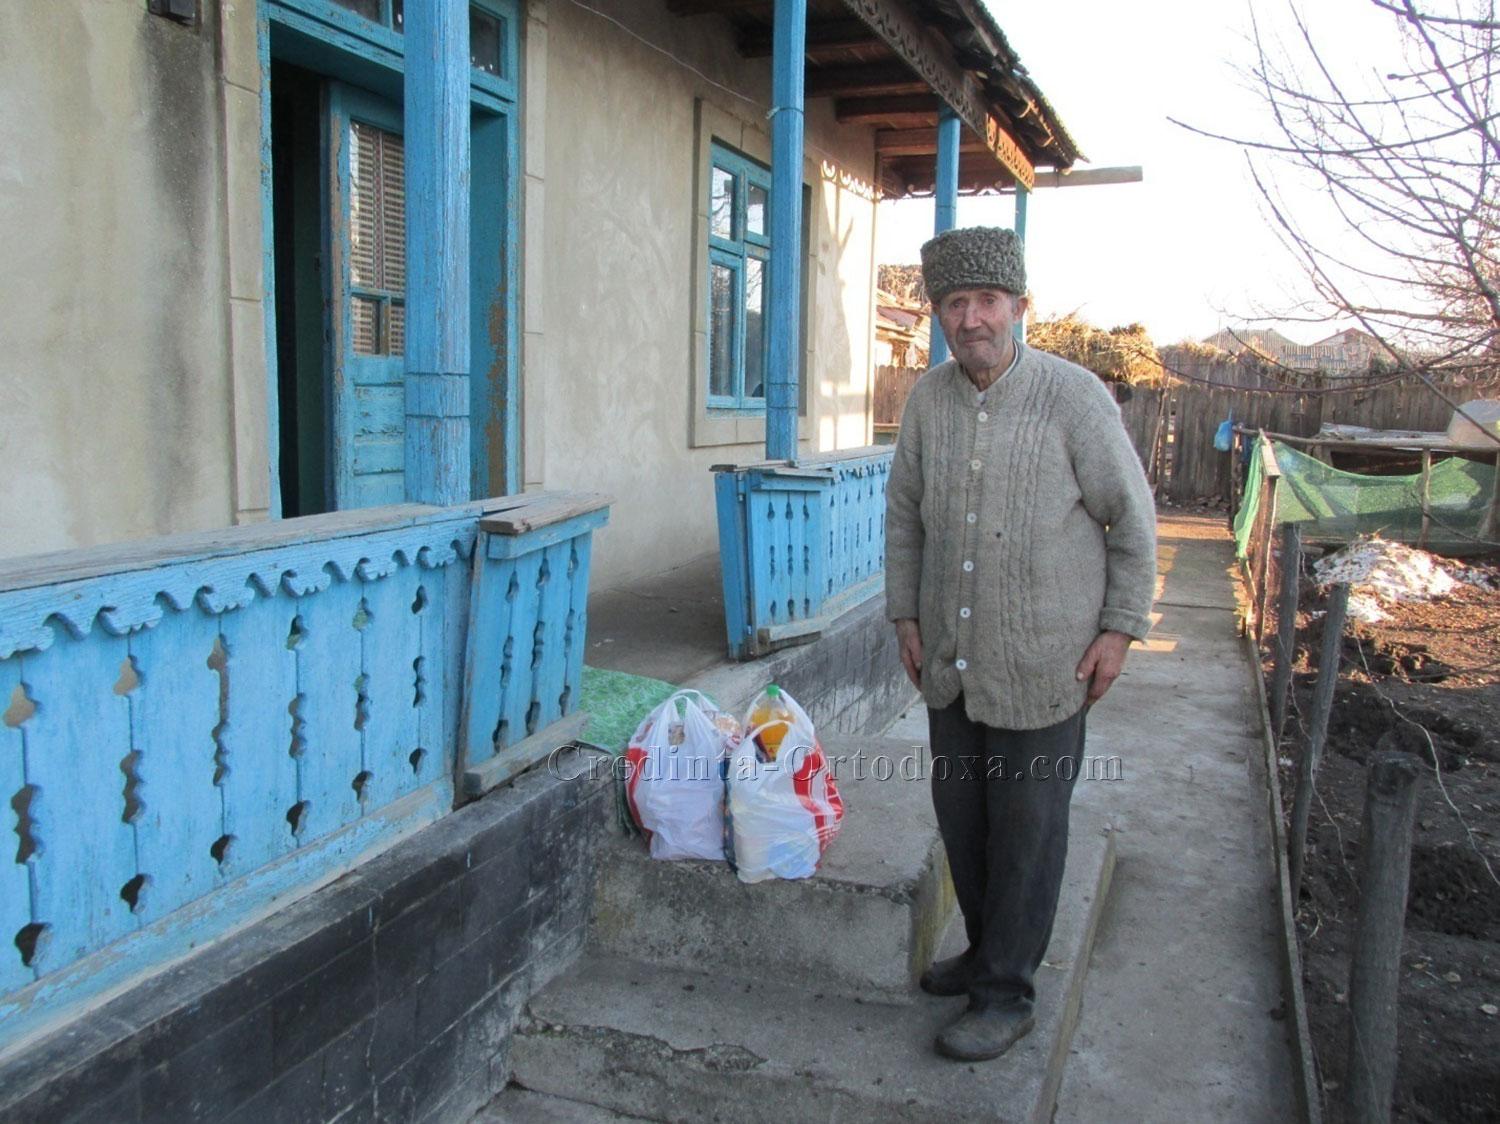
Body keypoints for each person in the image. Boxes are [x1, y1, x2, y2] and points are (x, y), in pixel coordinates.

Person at [884, 226, 1157, 1062]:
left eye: (988, 301)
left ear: (1020, 307)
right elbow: (904, 519)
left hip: (1047, 665)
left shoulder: (1074, 397)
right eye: (954, 303)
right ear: (938, 315)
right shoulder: (928, 400)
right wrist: (905, 617)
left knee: (1027, 836)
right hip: (950, 664)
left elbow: (1131, 521)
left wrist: (1120, 629)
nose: (971, 319)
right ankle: (984, 952)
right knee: (964, 824)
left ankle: (1007, 995)